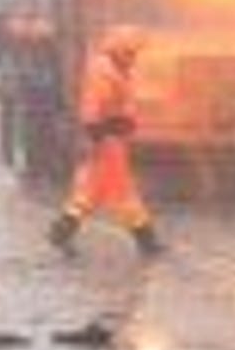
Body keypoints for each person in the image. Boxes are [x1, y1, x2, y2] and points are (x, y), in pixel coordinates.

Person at [48, 25, 163, 257]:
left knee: (92, 192)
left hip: (110, 138)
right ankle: (146, 239)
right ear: (118, 49)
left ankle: (62, 231)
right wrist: (102, 131)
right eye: (130, 52)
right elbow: (93, 107)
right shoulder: (105, 71)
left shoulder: (116, 69)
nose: (134, 57)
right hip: (107, 138)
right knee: (121, 192)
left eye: (135, 53)